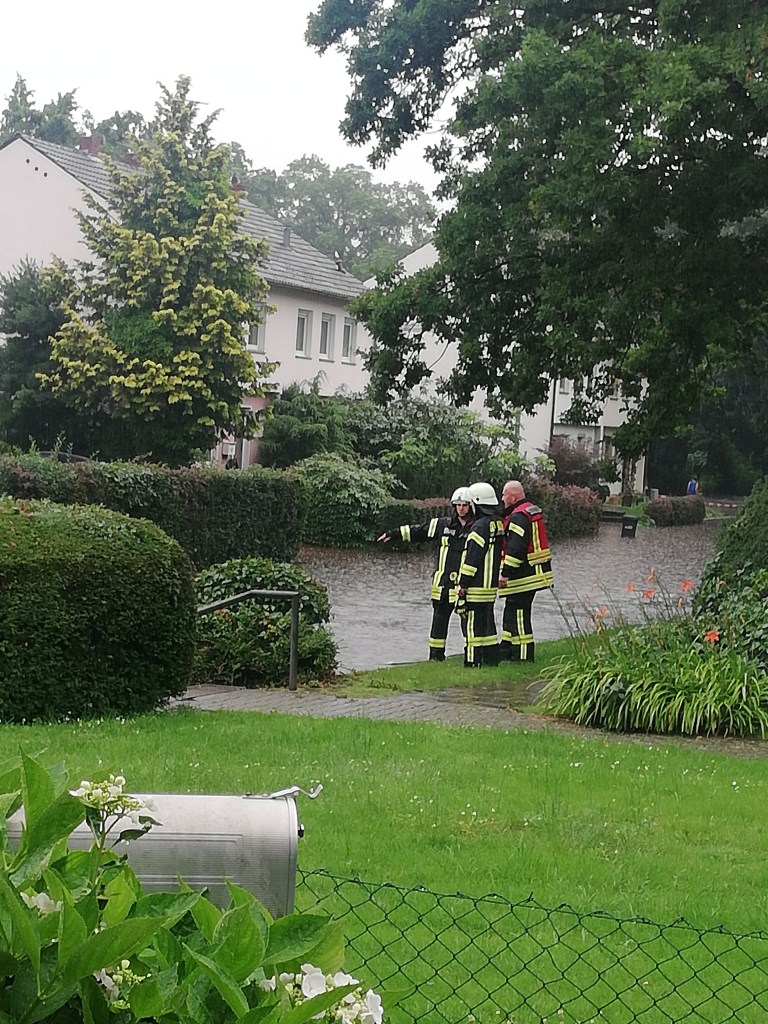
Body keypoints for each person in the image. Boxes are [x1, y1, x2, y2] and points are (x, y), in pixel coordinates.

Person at [377, 487, 475, 661]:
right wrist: (394, 534)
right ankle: (435, 657)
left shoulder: (477, 527)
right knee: (439, 622)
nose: (461, 508)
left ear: (471, 506)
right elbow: (419, 531)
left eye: (465, 505)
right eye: (458, 505)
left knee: (468, 621)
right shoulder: (443, 524)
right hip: (443, 584)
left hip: (464, 584)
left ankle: (471, 654)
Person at [498, 480, 553, 663]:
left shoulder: (518, 517)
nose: (502, 498)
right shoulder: (528, 510)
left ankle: (522, 655)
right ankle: (506, 650)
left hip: (525, 576)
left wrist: (505, 573)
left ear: (513, 497)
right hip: (533, 573)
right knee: (511, 611)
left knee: (520, 615)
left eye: (504, 494)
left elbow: (516, 549)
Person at [455, 481, 504, 668]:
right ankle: (491, 660)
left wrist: (463, 583)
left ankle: (472, 661)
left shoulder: (479, 527)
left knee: (472, 627)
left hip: (475, 586)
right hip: (489, 587)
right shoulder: (497, 523)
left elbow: (472, 558)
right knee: (488, 626)